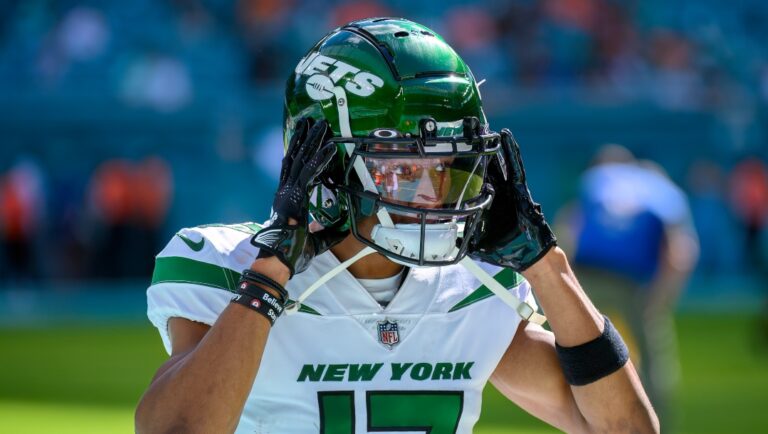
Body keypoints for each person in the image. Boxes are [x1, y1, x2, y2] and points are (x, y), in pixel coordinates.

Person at [135, 18, 658, 434]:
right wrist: (268, 278)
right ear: (326, 165)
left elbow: (625, 428)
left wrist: (548, 266)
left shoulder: (472, 290)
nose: (431, 195)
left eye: (445, 167)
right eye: (403, 169)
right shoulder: (228, 264)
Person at [557, 145, 699, 429]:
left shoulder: (595, 179)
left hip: (586, 277)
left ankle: (579, 421)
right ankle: (653, 424)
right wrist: (660, 298)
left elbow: (565, 232)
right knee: (651, 359)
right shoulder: (660, 187)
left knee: (577, 351)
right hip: (632, 283)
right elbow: (681, 253)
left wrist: (563, 288)